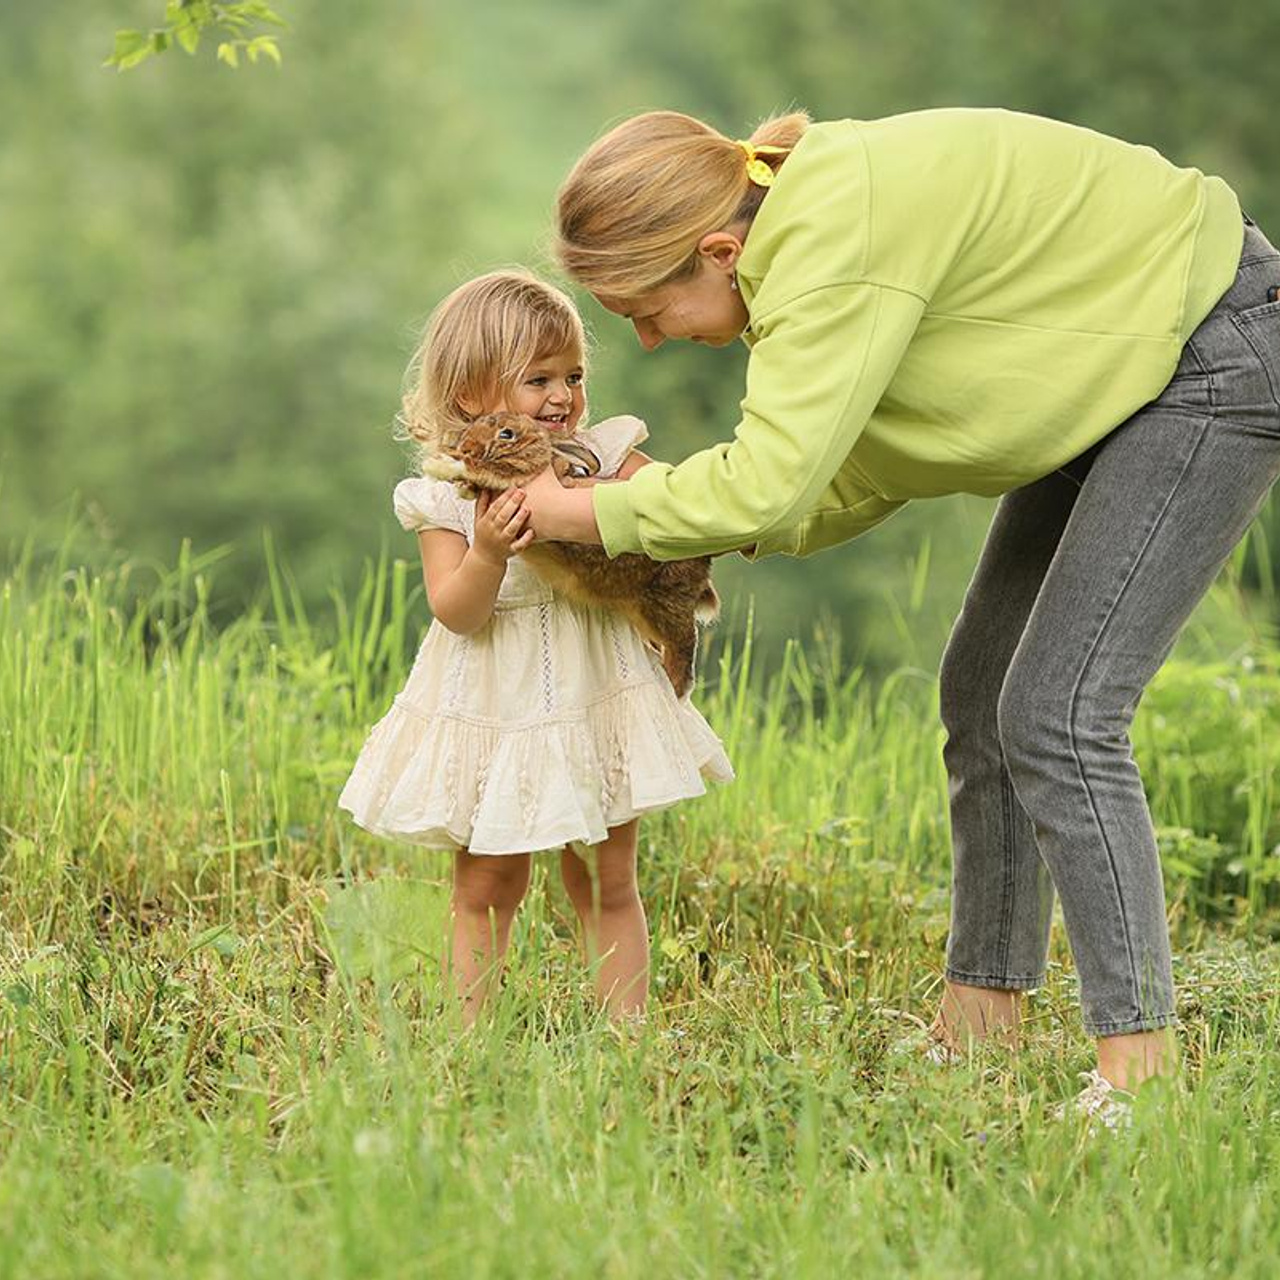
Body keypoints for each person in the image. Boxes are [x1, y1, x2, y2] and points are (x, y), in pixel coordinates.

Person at [518, 106, 1280, 1115]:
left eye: (645, 310)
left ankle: (1140, 1081)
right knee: (981, 694)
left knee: (1058, 712)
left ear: (717, 251)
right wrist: (683, 521)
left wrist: (587, 511)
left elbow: (771, 482)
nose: (651, 342)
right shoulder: (808, 229)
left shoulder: (827, 245)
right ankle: (980, 1028)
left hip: (1205, 347)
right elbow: (852, 467)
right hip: (1116, 367)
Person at [339, 269, 733, 1023]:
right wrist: (488, 553)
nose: (563, 397)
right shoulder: (448, 497)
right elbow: (456, 612)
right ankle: (470, 1035)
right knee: (487, 883)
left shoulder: (603, 456)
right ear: (469, 397)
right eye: (538, 380)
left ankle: (625, 1035)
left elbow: (679, 504)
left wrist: (628, 506)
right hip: (497, 706)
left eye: (573, 377)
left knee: (605, 878)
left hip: (594, 697)